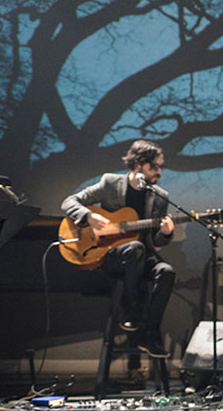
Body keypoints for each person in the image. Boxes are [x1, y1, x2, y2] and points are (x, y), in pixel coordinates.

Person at [61, 139, 176, 358]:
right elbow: (69, 202)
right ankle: (132, 310)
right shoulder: (110, 183)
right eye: (154, 166)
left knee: (167, 272)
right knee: (133, 248)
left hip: (142, 253)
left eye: (161, 167)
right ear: (139, 164)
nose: (159, 172)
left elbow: (156, 241)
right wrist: (88, 216)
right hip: (110, 255)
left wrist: (166, 233)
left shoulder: (160, 196)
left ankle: (150, 333)